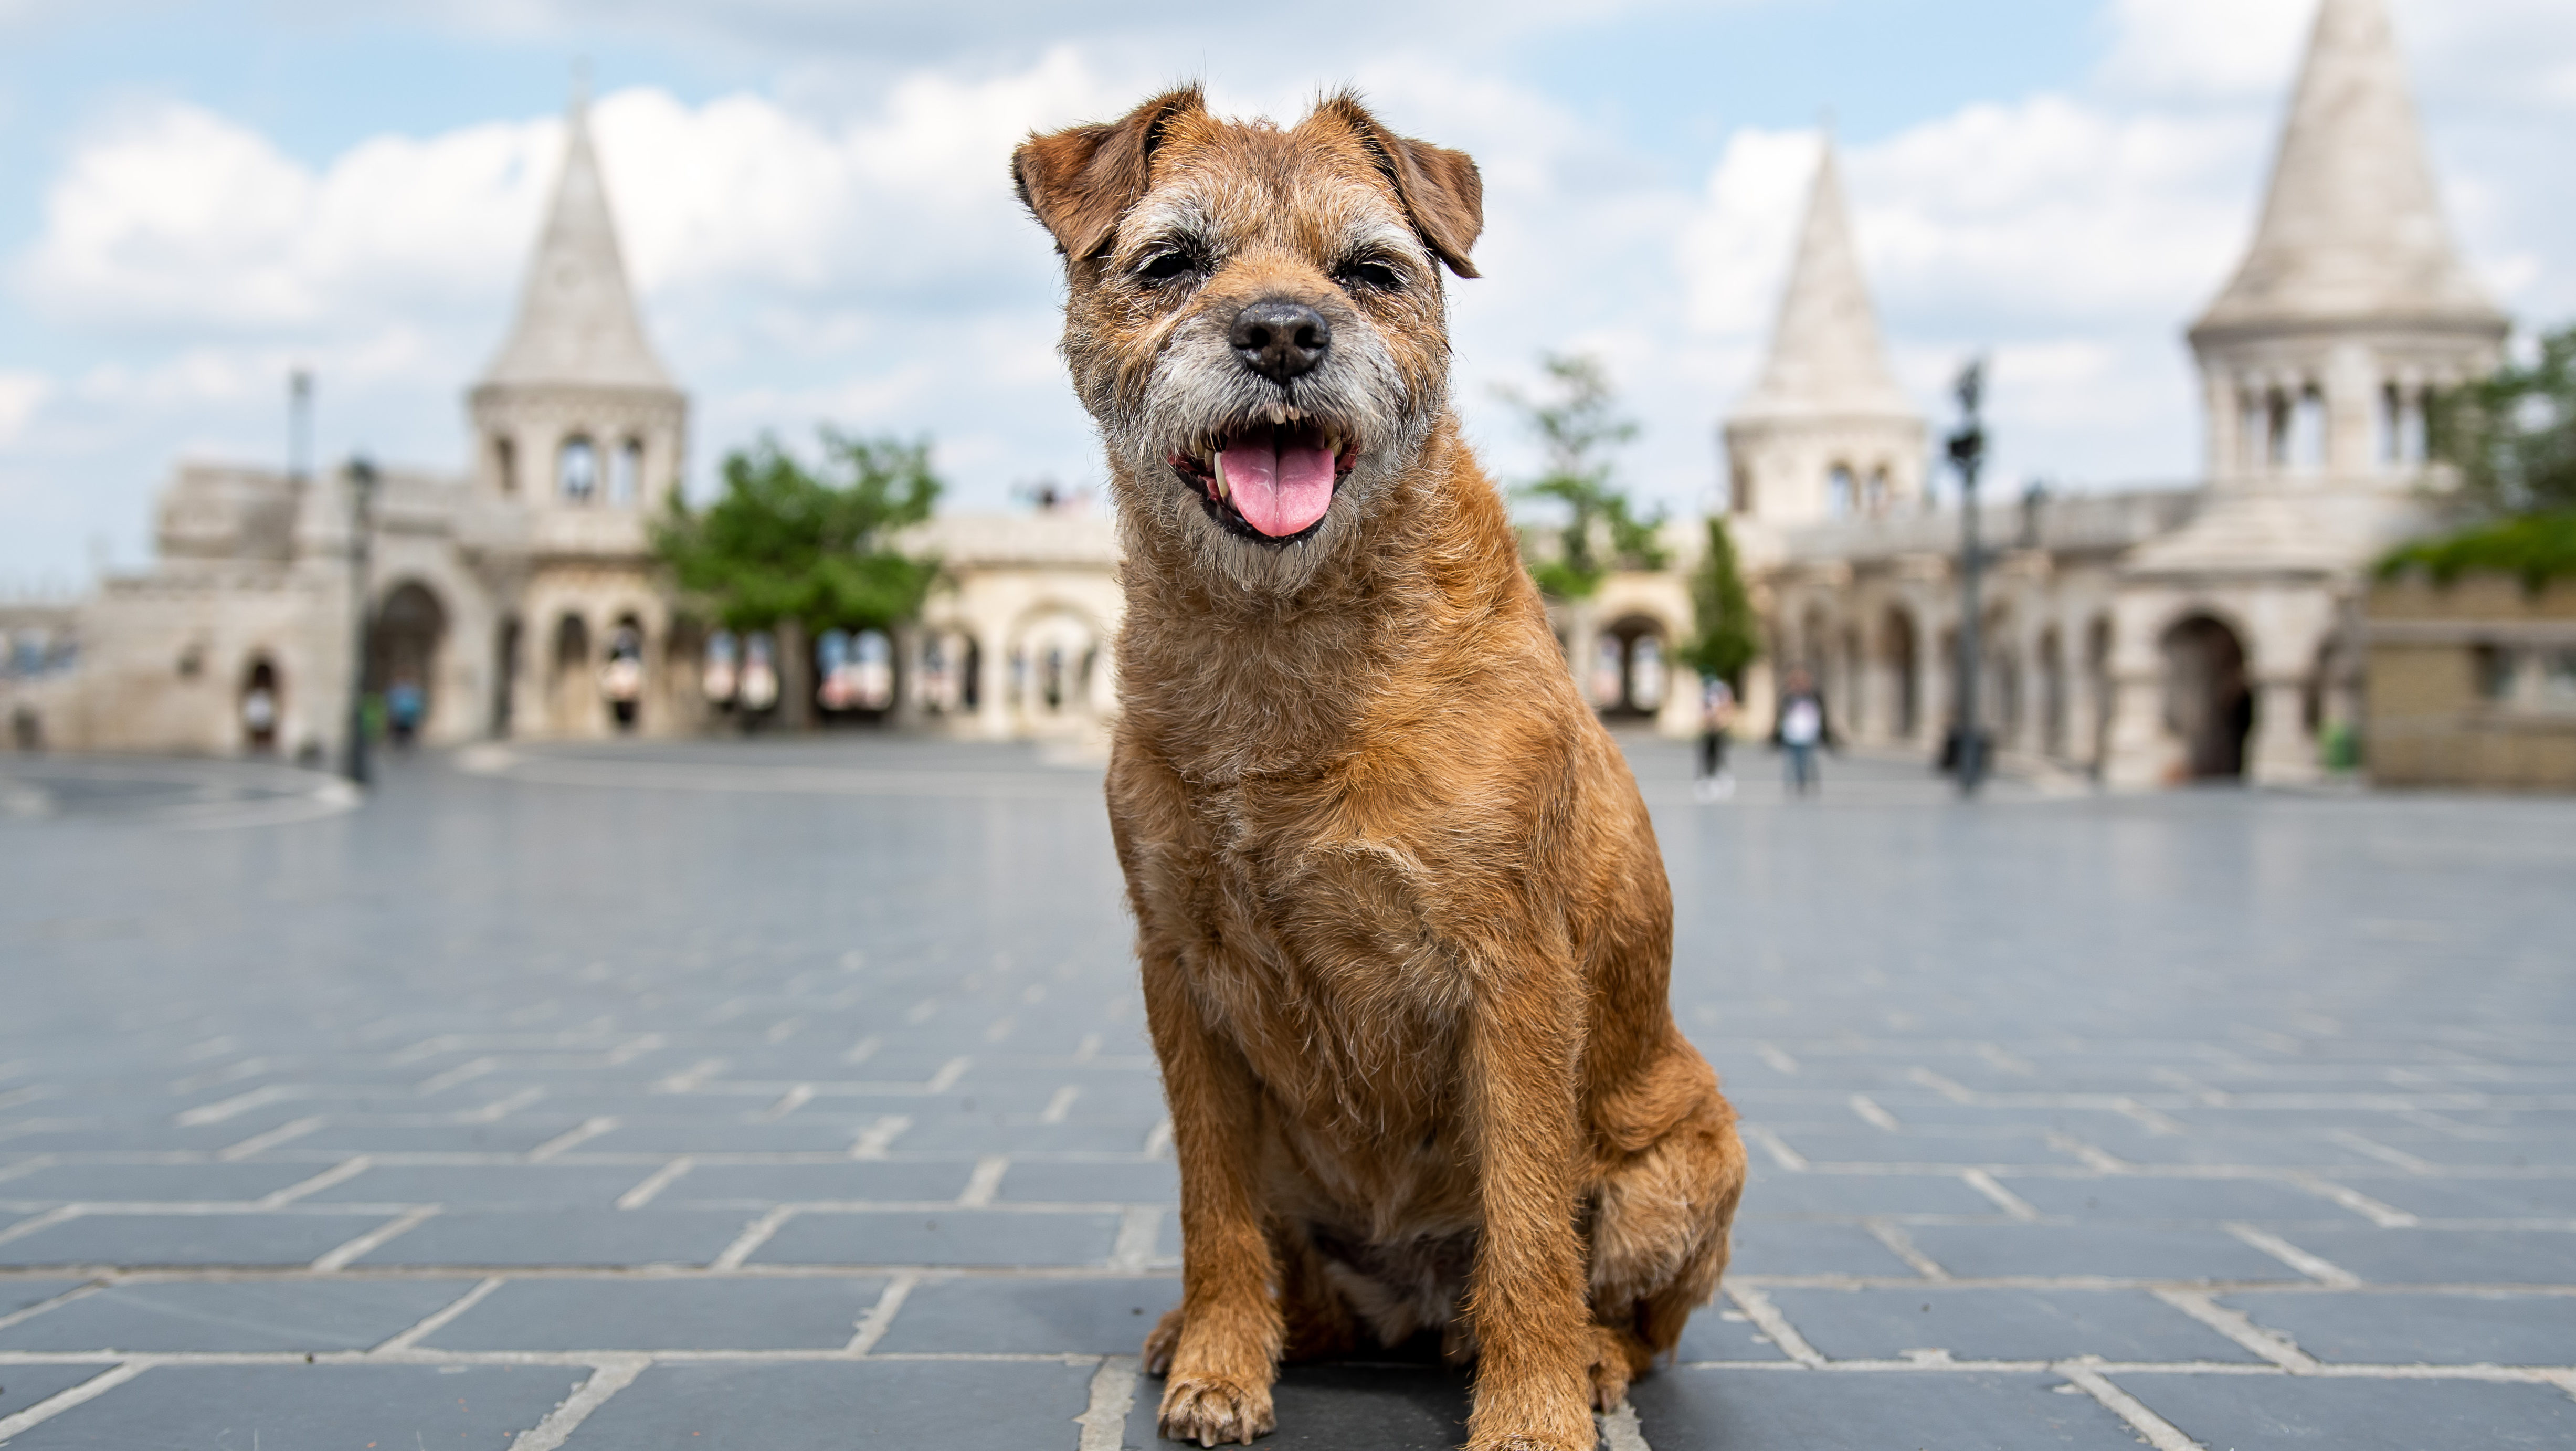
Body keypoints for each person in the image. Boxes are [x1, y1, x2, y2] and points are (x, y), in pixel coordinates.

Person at [1773, 668, 1833, 796]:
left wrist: (1825, 732)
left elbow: (1822, 714)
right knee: (1793, 760)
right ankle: (1795, 783)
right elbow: (1780, 715)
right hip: (1791, 734)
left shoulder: (1814, 696)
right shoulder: (1788, 697)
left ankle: (1808, 781)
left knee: (1809, 759)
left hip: (1809, 734)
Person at [1694, 676, 1737, 802]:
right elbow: (1704, 712)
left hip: (1718, 730)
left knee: (1719, 755)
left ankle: (1720, 778)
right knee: (1707, 754)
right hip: (1710, 730)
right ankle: (1709, 778)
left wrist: (1721, 723)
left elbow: (1725, 710)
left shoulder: (1720, 695)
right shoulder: (1708, 697)